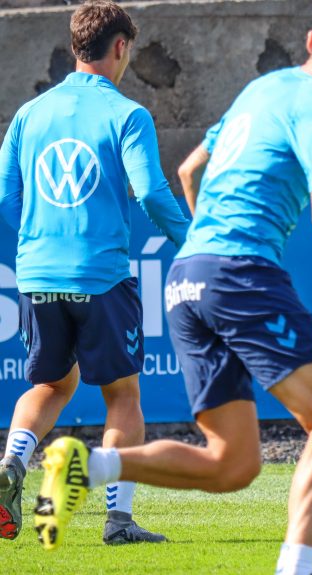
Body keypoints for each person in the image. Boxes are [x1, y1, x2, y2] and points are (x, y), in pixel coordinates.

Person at [35, 0, 312, 572]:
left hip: (187, 277)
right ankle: (296, 567)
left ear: (311, 39)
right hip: (241, 274)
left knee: (232, 464)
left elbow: (191, 171)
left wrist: (207, 246)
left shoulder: (262, 90)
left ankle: (89, 465)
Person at [0, 0, 188, 544]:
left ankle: (12, 465)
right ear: (121, 47)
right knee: (123, 396)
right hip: (100, 276)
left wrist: (41, 242)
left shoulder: (29, 114)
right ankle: (118, 521)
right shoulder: (128, 114)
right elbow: (151, 191)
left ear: (75, 45)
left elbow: (7, 197)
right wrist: (193, 241)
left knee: (50, 384)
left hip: (37, 276)